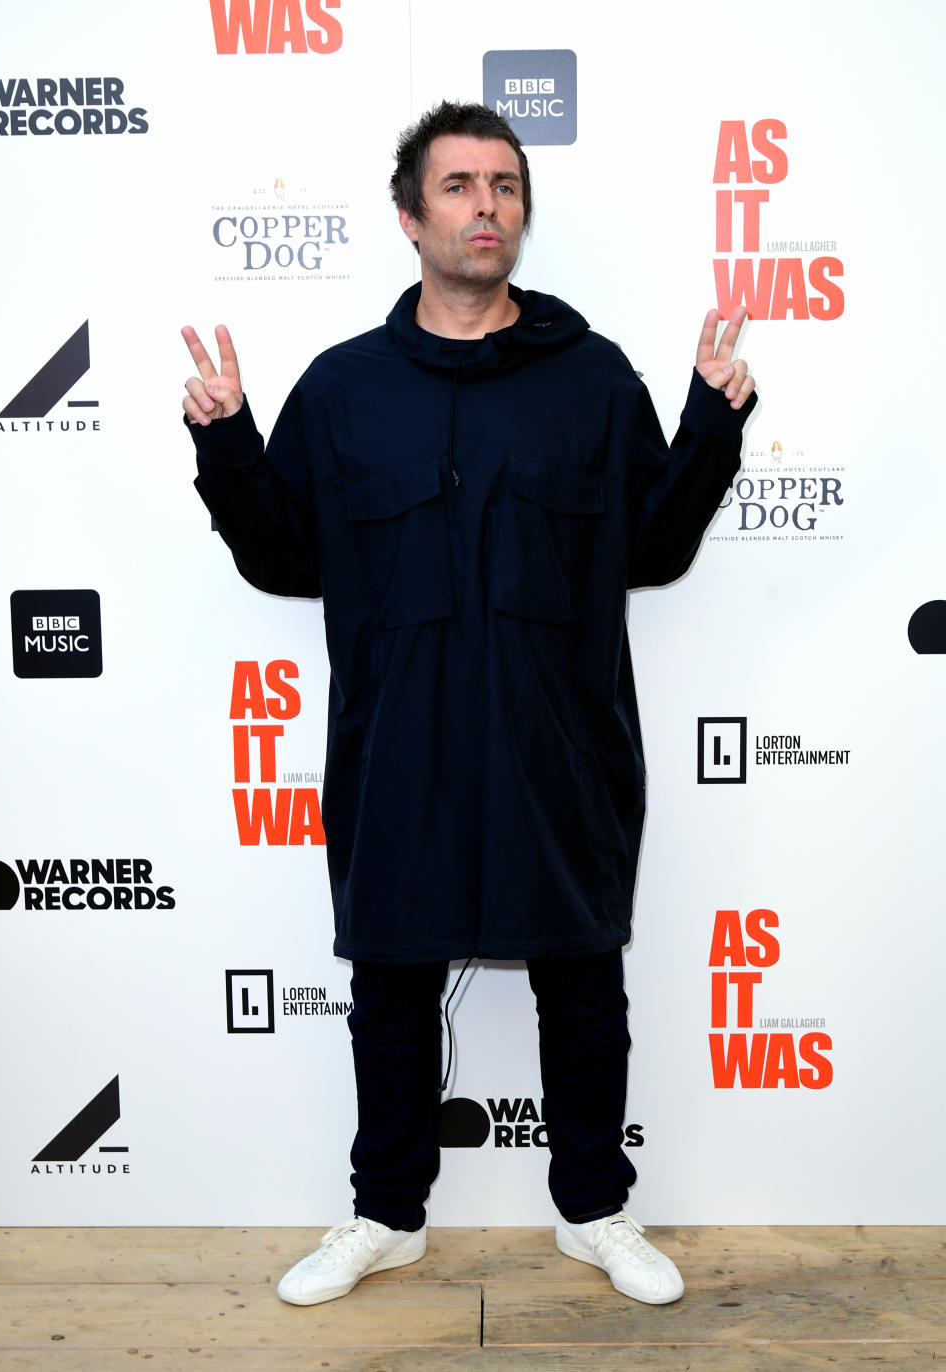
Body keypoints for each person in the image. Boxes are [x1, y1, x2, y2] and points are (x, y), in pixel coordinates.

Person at [182, 101, 757, 1309]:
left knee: (584, 989)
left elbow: (652, 544)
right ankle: (386, 1214)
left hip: (560, 750)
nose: (485, 204)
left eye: (503, 185)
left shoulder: (592, 379)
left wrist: (711, 420)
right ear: (410, 216)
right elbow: (286, 557)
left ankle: (594, 1206)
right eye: (458, 185)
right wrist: (230, 443)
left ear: (521, 217)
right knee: (391, 986)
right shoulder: (344, 389)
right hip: (403, 750)